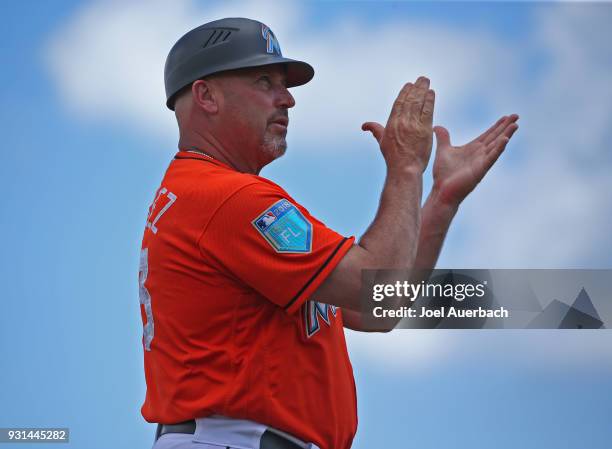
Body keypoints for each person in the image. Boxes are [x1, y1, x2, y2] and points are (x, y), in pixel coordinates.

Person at [138, 17, 519, 449]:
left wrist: (441, 200)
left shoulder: (212, 195)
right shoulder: (227, 198)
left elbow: (378, 307)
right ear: (206, 96)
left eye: (284, 84)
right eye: (264, 81)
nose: (287, 99)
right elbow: (371, 286)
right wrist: (407, 166)